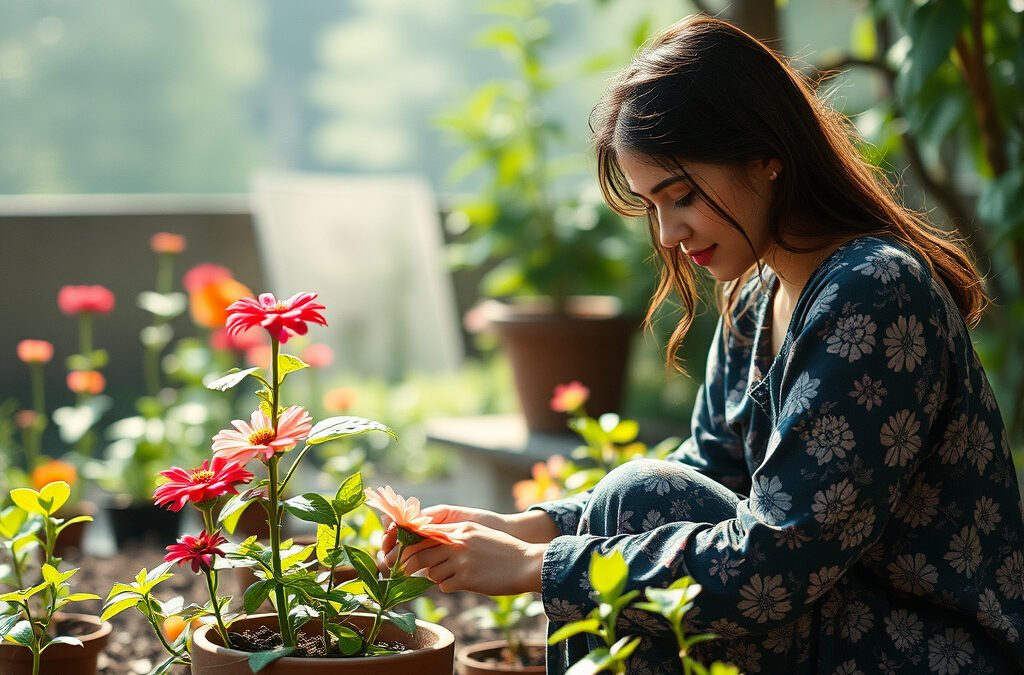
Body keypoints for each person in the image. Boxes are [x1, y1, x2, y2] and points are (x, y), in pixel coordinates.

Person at [380, 15, 1024, 673]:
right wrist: (527, 527)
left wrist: (534, 564)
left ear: (767, 155)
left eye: (681, 195)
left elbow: (776, 557)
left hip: (920, 654)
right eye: (651, 206)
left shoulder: (874, 289)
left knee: (640, 498)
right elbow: (710, 472)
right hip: (825, 635)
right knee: (640, 497)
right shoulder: (755, 295)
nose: (666, 234)